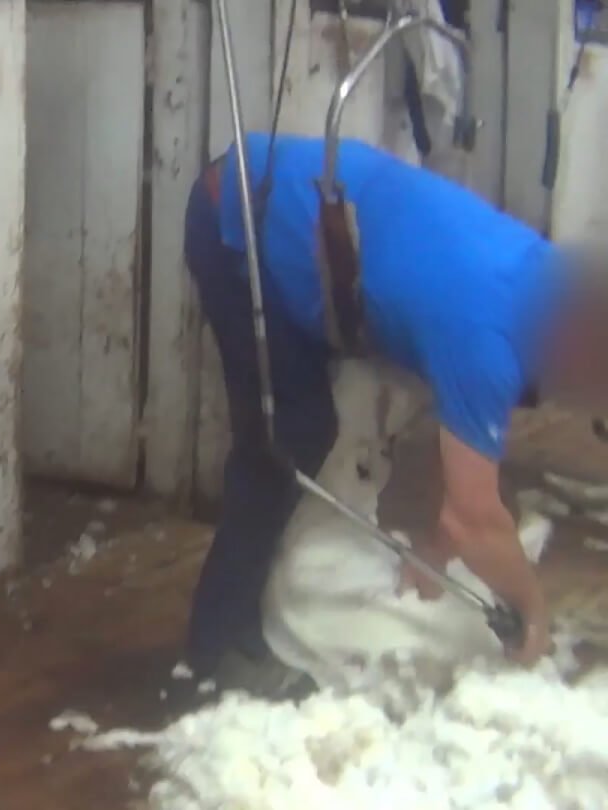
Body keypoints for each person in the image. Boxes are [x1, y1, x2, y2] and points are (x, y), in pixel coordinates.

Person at [182, 131, 608, 694]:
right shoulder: (489, 338)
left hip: (313, 220)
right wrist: (531, 610)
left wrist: (433, 553)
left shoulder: (539, 278)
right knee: (289, 436)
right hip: (236, 214)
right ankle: (212, 655)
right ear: (583, 340)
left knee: (305, 426)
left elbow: (460, 440)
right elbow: (473, 515)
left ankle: (245, 622)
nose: (586, 405)